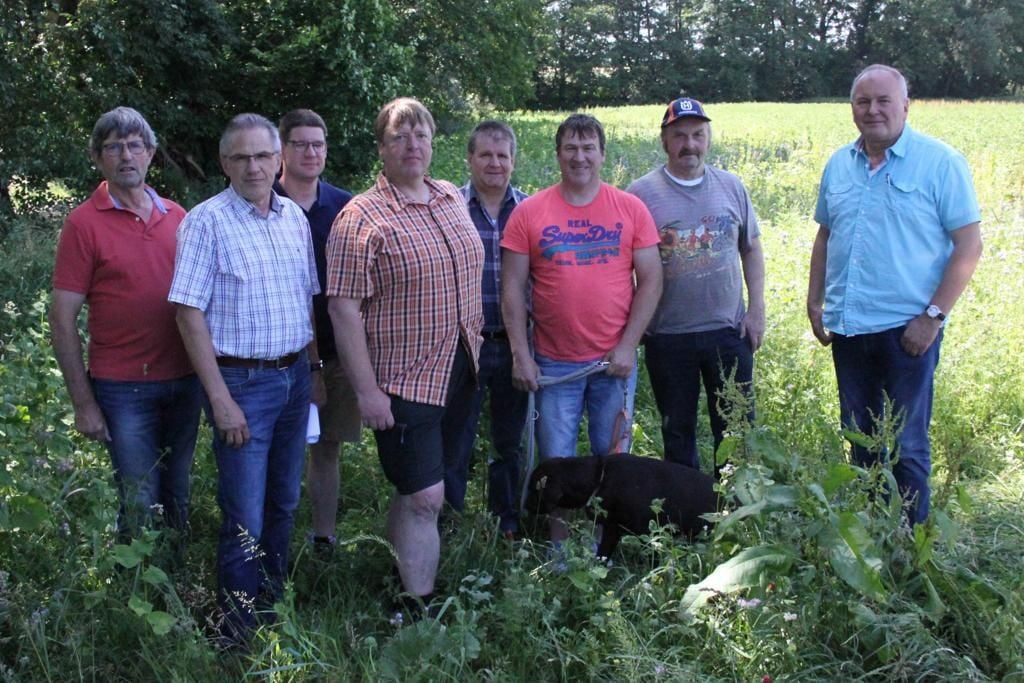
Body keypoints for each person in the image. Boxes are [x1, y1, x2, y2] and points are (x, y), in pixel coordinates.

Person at [326, 98, 483, 612]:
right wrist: (367, 391)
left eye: (421, 135)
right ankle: (419, 612)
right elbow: (343, 309)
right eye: (399, 137)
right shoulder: (360, 218)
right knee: (425, 498)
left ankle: (399, 576)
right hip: (402, 380)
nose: (412, 145)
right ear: (382, 148)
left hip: (460, 365)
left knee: (414, 487)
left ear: (433, 143)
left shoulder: (449, 197)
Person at [807, 64, 982, 525]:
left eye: (883, 101)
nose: (873, 110)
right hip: (849, 328)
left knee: (907, 445)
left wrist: (933, 317)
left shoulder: (940, 163)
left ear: (905, 105)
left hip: (908, 331)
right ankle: (869, 535)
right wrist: (815, 300)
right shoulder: (839, 164)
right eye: (863, 102)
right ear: (852, 108)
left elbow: (969, 245)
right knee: (860, 439)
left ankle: (908, 542)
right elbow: (826, 235)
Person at [168, 113, 320, 642]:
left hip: (294, 378)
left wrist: (314, 372)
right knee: (244, 518)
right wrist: (220, 399)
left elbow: (306, 300)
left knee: (285, 503)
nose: (253, 167)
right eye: (241, 157)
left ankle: (272, 613)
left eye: (262, 156)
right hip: (242, 386)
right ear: (224, 163)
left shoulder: (293, 217)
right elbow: (188, 314)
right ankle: (235, 632)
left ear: (279, 161)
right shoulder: (206, 222)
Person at [501, 113, 662, 541]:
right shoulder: (530, 213)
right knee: (556, 465)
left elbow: (651, 280)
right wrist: (521, 355)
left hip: (613, 364)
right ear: (557, 155)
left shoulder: (630, 208)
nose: (579, 157)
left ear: (602, 154)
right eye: (571, 148)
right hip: (554, 367)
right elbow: (512, 290)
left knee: (614, 464)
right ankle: (560, 554)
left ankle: (602, 549)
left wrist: (628, 345)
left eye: (588, 148)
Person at [50, 106, 201, 541]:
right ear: (97, 157)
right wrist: (83, 403)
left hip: (185, 379)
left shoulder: (178, 216)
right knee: (139, 498)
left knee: (177, 491)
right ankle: (135, 581)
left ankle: (174, 574)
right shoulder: (83, 224)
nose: (126, 156)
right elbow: (61, 319)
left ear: (151, 153)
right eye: (114, 147)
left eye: (135, 145)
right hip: (123, 388)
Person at [627, 97, 765, 473]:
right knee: (677, 432)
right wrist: (636, 322)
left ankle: (735, 502)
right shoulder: (640, 194)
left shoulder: (731, 187)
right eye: (680, 136)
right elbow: (623, 265)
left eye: (698, 135)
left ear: (708, 138)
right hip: (668, 336)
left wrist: (756, 310)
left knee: (736, 430)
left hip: (728, 332)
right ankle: (685, 503)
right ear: (664, 141)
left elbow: (751, 248)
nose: (690, 144)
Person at [272, 109, 358, 551]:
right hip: (277, 355)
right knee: (277, 449)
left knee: (326, 447)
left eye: (318, 144)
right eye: (301, 144)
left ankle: (323, 537)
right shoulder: (262, 199)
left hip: (336, 350)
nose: (311, 152)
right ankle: (272, 540)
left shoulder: (345, 206)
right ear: (282, 151)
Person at [442, 120, 529, 537]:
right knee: (454, 441)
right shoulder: (448, 209)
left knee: (509, 442)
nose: (495, 163)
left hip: (516, 344)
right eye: (485, 155)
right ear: (470, 159)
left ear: (513, 160)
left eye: (502, 156)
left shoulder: (530, 210)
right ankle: (448, 524)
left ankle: (506, 524)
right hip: (464, 344)